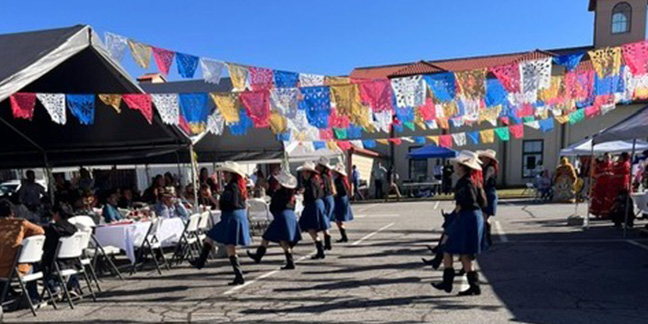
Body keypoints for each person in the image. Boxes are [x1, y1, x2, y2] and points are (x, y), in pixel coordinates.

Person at [432, 151, 486, 296]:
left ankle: (447, 282)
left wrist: (453, 215)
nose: (454, 166)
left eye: (457, 164)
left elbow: (467, 201)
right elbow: (481, 202)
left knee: (448, 249)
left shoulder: (465, 182)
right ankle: (474, 286)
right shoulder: (474, 180)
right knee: (465, 254)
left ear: (462, 166)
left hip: (467, 218)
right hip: (473, 217)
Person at [190, 162, 251, 285]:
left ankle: (201, 262)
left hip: (231, 216)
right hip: (236, 216)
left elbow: (228, 204)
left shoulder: (232, 187)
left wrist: (216, 199)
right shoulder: (237, 186)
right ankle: (238, 275)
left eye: (225, 173)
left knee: (211, 236)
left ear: (230, 174)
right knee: (230, 246)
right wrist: (213, 198)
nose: (223, 175)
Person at [246, 171, 302, 269]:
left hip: (281, 217)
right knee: (268, 237)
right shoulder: (290, 195)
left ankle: (290, 261)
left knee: (281, 240)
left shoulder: (280, 193)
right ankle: (259, 256)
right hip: (289, 216)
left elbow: (274, 206)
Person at [0, 200, 45, 303]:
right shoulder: (20, 223)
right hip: (14, 271)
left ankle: (7, 293)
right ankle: (33, 297)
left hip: (2, 269)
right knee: (32, 264)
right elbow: (40, 231)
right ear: (12, 212)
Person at [41, 203, 79, 294]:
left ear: (57, 214)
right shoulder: (74, 229)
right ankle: (73, 286)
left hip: (56, 263)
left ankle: (53, 289)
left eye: (53, 214)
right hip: (74, 262)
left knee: (39, 262)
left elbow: (47, 246)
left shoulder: (53, 229)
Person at [297, 161, 330, 259]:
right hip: (316, 204)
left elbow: (314, 195)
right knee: (311, 228)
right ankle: (320, 248)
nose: (303, 174)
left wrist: (305, 192)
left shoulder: (311, 181)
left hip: (313, 205)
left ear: (308, 172)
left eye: (304, 172)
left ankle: (320, 249)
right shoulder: (314, 180)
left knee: (311, 228)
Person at [477, 150, 498, 246]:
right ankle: (487, 238)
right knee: (485, 218)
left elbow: (484, 181)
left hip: (489, 194)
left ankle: (484, 240)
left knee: (484, 217)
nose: (483, 159)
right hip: (485, 193)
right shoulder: (483, 168)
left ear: (489, 159)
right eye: (482, 158)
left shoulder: (490, 168)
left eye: (485, 158)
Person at [315, 157, 335, 251]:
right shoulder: (328, 176)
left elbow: (320, 188)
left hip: (324, 198)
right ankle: (327, 242)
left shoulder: (321, 177)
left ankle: (327, 242)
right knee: (325, 220)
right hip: (329, 197)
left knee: (324, 219)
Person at [332, 163, 354, 243]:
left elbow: (342, 191)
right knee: (338, 219)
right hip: (341, 199)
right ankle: (343, 236)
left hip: (340, 200)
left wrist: (335, 194)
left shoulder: (339, 180)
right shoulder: (341, 179)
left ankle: (344, 236)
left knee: (338, 219)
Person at [589, 153, 614, 218]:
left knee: (608, 199)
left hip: (609, 185)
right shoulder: (600, 166)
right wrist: (602, 174)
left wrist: (611, 174)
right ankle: (597, 212)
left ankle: (606, 213)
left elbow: (616, 173)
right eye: (606, 157)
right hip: (600, 184)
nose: (607, 158)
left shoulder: (613, 165)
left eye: (608, 157)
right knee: (598, 199)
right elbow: (595, 175)